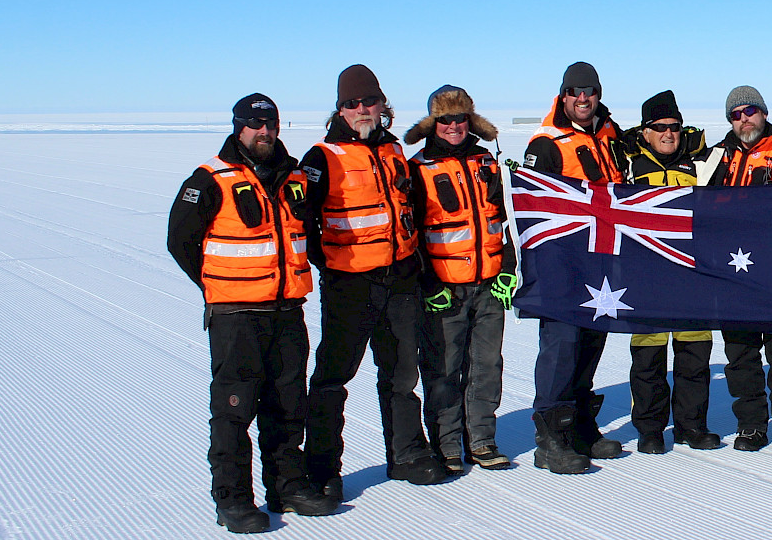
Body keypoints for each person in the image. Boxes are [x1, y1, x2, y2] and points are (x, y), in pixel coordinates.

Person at [168, 93, 339, 533]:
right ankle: (233, 499)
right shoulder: (211, 179)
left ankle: (286, 486)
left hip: (287, 311)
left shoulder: (296, 175)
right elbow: (180, 241)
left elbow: (310, 235)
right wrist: (219, 287)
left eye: (270, 124)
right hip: (236, 315)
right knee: (235, 408)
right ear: (238, 126)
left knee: (287, 405)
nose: (263, 131)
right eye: (254, 124)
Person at [301, 64, 449, 494]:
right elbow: (300, 220)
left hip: (399, 279)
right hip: (350, 285)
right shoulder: (322, 157)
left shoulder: (392, 150)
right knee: (333, 376)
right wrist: (327, 263)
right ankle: (322, 469)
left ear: (382, 105)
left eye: (369, 101)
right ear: (340, 110)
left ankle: (406, 454)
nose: (362, 109)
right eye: (352, 103)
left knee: (401, 374)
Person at [405, 85, 517, 474]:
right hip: (445, 288)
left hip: (488, 285)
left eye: (461, 118)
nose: (454, 126)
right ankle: (448, 443)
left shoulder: (485, 161)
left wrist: (508, 265)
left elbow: (498, 220)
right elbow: (412, 232)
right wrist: (428, 284)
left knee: (487, 367)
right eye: (446, 119)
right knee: (443, 368)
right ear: (434, 122)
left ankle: (482, 439)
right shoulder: (417, 168)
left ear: (471, 119)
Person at [522, 61, 627, 473]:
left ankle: (582, 426)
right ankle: (551, 438)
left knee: (590, 346)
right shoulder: (547, 142)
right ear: (563, 96)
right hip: (562, 264)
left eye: (590, 91)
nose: (583, 99)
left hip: (602, 262)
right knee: (561, 347)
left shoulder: (609, 136)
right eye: (575, 92)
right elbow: (532, 206)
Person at [615, 90, 725, 454]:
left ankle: (692, 426)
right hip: (645, 277)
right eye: (659, 127)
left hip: (693, 277)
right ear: (645, 131)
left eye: (674, 127)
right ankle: (650, 428)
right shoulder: (625, 164)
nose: (668, 134)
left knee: (694, 355)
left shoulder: (704, 162)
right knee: (648, 358)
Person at [706, 85, 772, 453]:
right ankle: (751, 425)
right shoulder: (716, 159)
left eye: (750, 111)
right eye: (736, 114)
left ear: (763, 113)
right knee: (741, 358)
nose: (744, 119)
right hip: (731, 277)